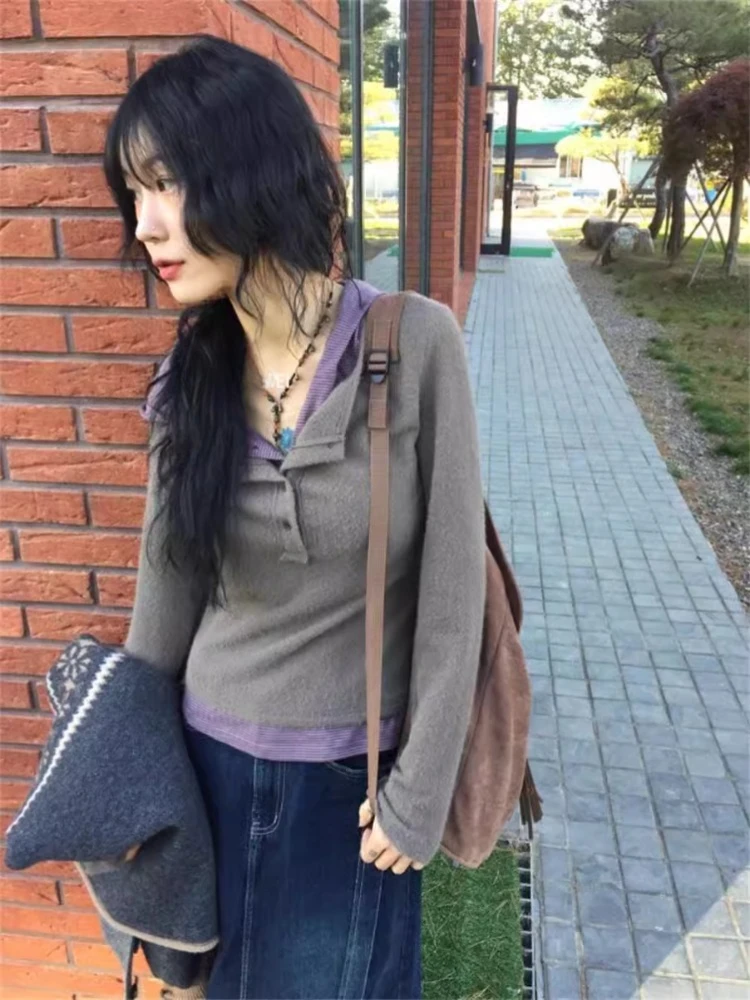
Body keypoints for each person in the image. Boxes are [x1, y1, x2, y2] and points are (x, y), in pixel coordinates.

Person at [104, 35, 485, 1000]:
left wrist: (418, 795)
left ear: (250, 169)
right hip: (209, 772)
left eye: (166, 183)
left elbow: (453, 600)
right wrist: (139, 799)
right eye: (133, 193)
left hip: (350, 790)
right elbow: (163, 605)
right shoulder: (188, 379)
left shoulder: (416, 342)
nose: (145, 225)